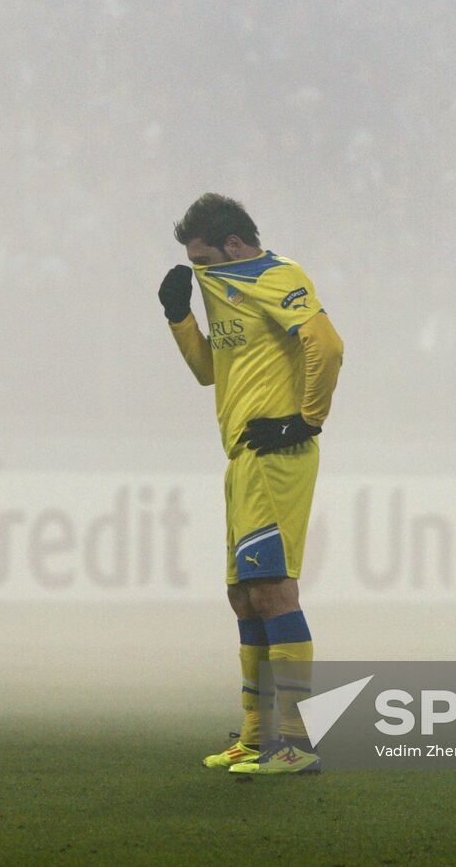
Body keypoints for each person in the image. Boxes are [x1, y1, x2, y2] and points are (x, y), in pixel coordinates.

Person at [160, 193, 344, 775]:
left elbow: (327, 345)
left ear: (234, 245)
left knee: (273, 593)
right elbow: (208, 372)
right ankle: (256, 735)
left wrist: (305, 419)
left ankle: (296, 742)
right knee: (243, 596)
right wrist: (179, 317)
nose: (198, 270)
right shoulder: (223, 287)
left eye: (203, 259)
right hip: (242, 457)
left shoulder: (275, 276)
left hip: (276, 454)